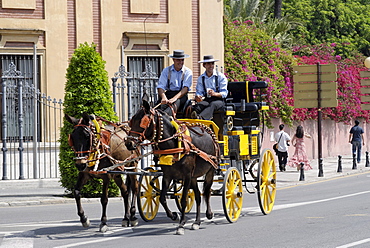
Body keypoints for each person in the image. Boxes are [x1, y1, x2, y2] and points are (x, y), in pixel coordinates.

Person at [191, 55, 228, 120]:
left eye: (212, 64)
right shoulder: (201, 78)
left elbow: (224, 93)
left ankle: (201, 118)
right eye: (208, 64)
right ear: (204, 65)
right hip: (207, 99)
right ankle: (192, 118)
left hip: (219, 100)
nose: (211, 66)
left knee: (213, 105)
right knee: (198, 106)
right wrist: (198, 97)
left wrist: (215, 94)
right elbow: (199, 92)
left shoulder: (220, 77)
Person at [157, 50, 193, 115]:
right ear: (173, 59)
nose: (181, 62)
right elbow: (160, 86)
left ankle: (164, 116)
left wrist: (174, 99)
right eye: (178, 60)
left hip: (181, 96)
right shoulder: (166, 70)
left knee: (173, 106)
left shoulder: (187, 72)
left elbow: (185, 88)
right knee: (155, 109)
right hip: (168, 94)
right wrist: (163, 97)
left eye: (182, 60)